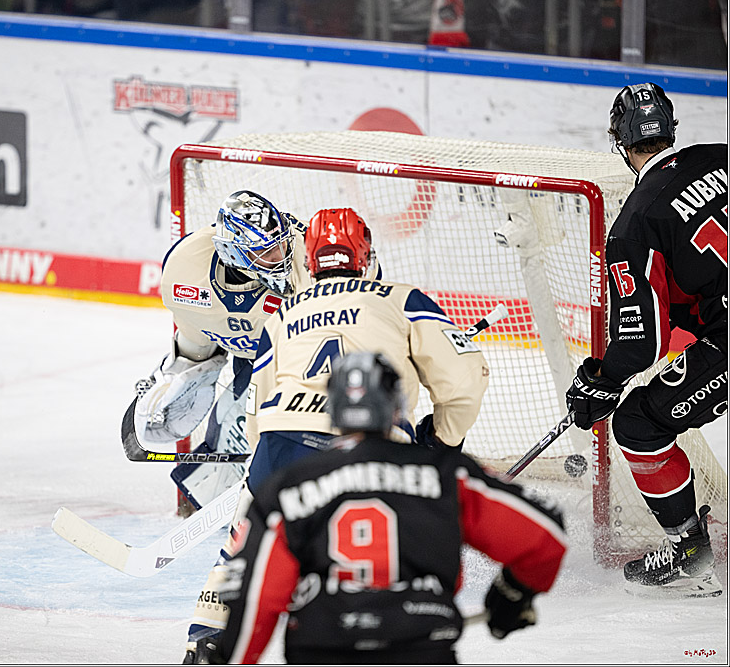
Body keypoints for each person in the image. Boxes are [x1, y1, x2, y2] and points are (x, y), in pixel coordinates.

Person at [182, 206, 491, 661]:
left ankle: (207, 641)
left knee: (243, 550)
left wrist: (260, 473)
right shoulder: (402, 299)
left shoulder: (282, 315)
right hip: (369, 443)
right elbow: (466, 380)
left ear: (309, 259)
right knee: (378, 551)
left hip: (281, 443)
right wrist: (443, 439)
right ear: (364, 254)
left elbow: (257, 409)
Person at [188, 352, 567, 664]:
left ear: (333, 408)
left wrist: (227, 658)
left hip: (322, 650)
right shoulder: (447, 475)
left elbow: (259, 596)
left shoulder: (288, 487)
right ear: (395, 406)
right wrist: (511, 594)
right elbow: (545, 537)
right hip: (421, 650)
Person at [564, 82, 726, 597]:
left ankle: (692, 557)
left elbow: (643, 344)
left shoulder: (635, 222)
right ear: (671, 128)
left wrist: (601, 381)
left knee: (638, 423)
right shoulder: (721, 156)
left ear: (620, 141)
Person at [132, 190, 314, 513]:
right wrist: (182, 369)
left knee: (241, 418)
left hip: (308, 359)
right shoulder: (187, 269)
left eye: (282, 245)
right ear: (234, 252)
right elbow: (197, 335)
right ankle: (220, 508)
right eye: (266, 252)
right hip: (257, 355)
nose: (281, 257)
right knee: (231, 423)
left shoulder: (307, 263)